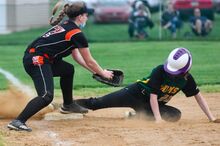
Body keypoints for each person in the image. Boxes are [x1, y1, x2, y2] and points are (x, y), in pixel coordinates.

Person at [7, 1, 113, 132]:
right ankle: (18, 121)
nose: (87, 17)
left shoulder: (68, 26)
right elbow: (89, 60)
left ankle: (68, 105)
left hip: (42, 58)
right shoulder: (76, 34)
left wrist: (97, 72)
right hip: (37, 60)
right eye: (86, 15)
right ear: (80, 17)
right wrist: (103, 73)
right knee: (46, 96)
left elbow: (77, 58)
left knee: (68, 70)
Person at [76, 48, 220, 123]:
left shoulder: (187, 80)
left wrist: (211, 117)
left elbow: (198, 97)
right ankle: (69, 104)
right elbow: (153, 96)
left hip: (150, 106)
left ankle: (135, 116)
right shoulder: (160, 70)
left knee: (175, 115)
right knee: (97, 103)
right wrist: (157, 119)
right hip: (134, 94)